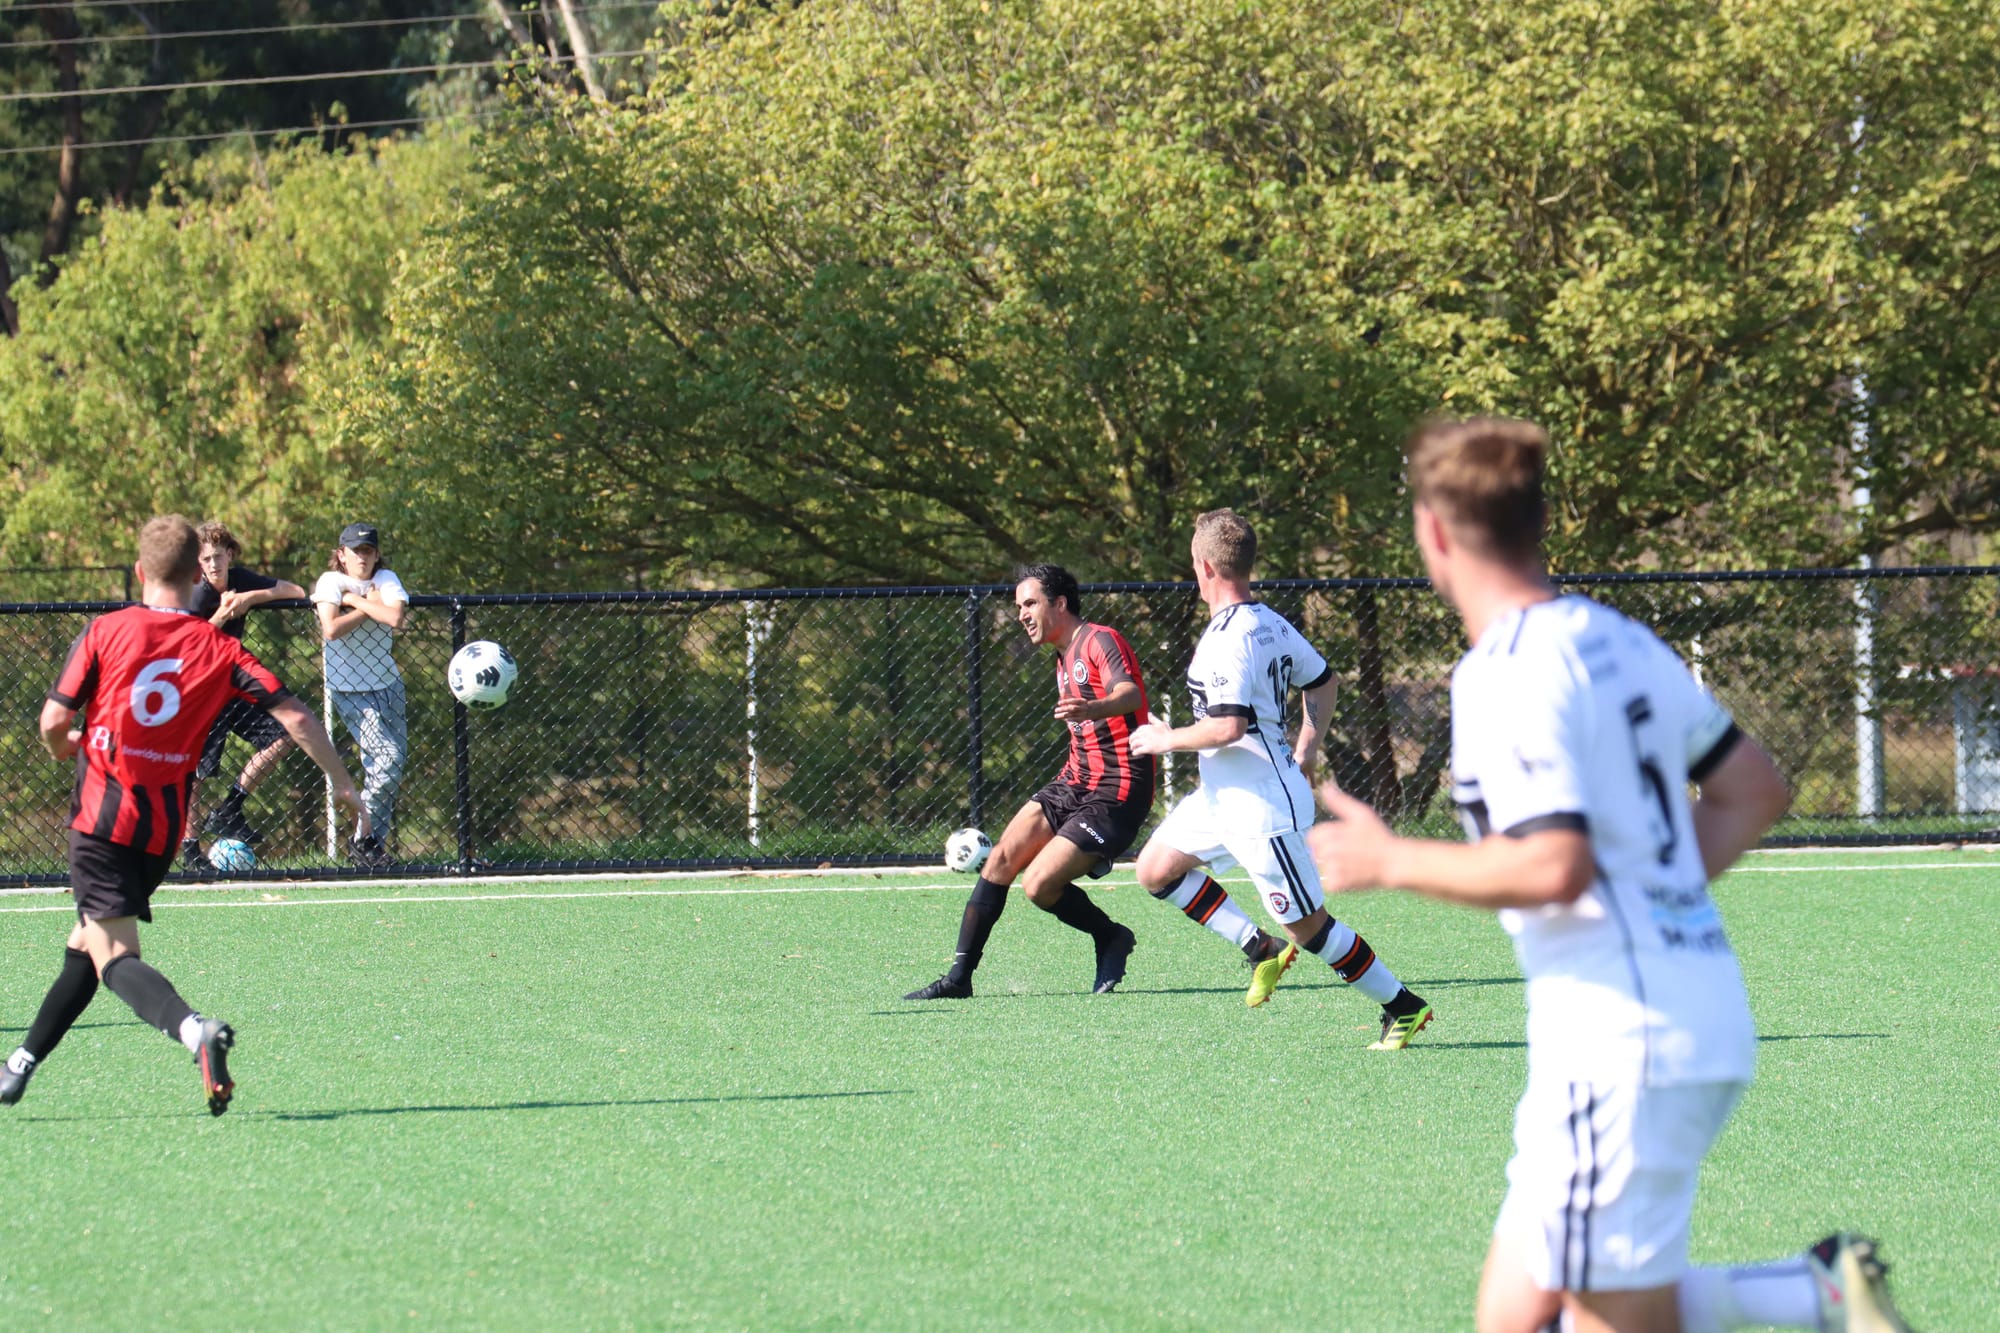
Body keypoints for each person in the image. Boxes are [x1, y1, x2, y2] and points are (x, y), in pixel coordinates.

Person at [1306, 418, 1911, 1333]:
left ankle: (1813, 1297)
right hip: (1667, 1013)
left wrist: (1391, 858)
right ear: (1537, 522)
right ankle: (1813, 1293)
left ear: (1433, 532)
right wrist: (1656, 900)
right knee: (1516, 1318)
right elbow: (1752, 789)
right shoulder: (1618, 638)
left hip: (1624, 1042)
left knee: (1607, 1322)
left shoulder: (1503, 673)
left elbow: (1555, 863)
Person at [0, 516, 370, 1114]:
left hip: (101, 820)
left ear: (142, 572)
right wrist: (344, 784)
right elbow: (298, 719)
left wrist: (63, 744)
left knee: (115, 957)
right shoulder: (219, 648)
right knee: (86, 944)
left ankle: (194, 1029)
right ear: (192, 572)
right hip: (162, 832)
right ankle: (19, 1066)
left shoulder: (106, 630)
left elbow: (50, 721)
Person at [1127, 508, 1433, 1042]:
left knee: (1310, 929)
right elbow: (1324, 682)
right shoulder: (1269, 621)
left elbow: (1227, 727)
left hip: (1261, 806)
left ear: (1204, 567)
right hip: (1222, 797)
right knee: (1156, 869)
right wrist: (1308, 749)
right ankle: (1258, 948)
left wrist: (1165, 738)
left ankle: (1402, 1005)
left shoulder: (1230, 637)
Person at [903, 564, 1150, 999]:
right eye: (1018, 606)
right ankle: (958, 980)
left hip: (1118, 789)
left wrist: (1091, 708)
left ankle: (1110, 936)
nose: (1021, 614)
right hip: (1075, 780)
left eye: (1030, 603)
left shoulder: (1099, 640)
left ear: (1060, 603)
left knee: (1037, 886)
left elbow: (1129, 694)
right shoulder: (1061, 657)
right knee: (1000, 860)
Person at [179, 520, 308, 874]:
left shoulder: (241, 579)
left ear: (230, 554)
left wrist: (252, 597)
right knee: (196, 773)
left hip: (233, 686)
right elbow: (189, 645)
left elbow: (296, 591)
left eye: (218, 557)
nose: (213, 565)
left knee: (283, 735)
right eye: (205, 560)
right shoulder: (197, 594)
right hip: (201, 691)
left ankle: (231, 807)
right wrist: (221, 614)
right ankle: (191, 851)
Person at [312, 521, 409, 869]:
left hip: (388, 686)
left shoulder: (386, 578)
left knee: (389, 767)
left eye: (368, 551)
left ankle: (370, 847)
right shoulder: (332, 582)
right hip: (350, 690)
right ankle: (363, 838)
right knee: (388, 758)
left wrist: (355, 604)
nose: (362, 558)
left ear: (377, 555)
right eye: (355, 551)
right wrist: (362, 604)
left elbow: (396, 618)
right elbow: (332, 628)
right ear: (341, 554)